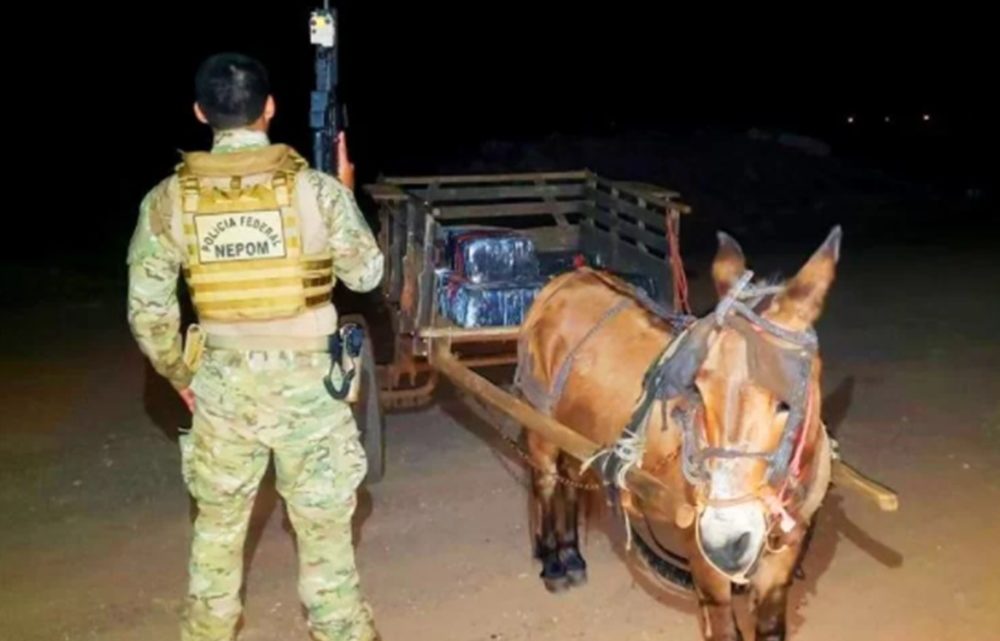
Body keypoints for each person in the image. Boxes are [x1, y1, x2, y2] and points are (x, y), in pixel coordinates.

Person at [126, 52, 383, 641]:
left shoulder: (169, 200)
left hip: (223, 392)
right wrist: (344, 195)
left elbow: (149, 313)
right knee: (326, 548)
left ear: (200, 112)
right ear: (270, 108)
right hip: (311, 396)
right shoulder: (316, 192)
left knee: (216, 541)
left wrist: (178, 375)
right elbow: (367, 275)